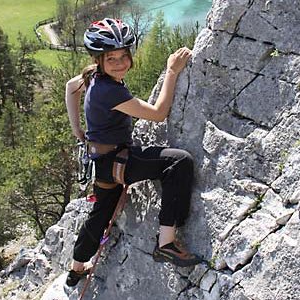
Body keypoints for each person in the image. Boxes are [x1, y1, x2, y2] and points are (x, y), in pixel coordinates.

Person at [64, 18, 202, 287]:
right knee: (179, 162)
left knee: (101, 215)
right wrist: (171, 71)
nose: (120, 63)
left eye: (123, 56)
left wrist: (77, 130)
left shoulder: (92, 75)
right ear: (100, 59)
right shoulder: (107, 90)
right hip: (118, 161)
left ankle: (76, 267)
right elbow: (159, 114)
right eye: (112, 58)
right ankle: (166, 243)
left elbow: (70, 88)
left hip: (103, 163)